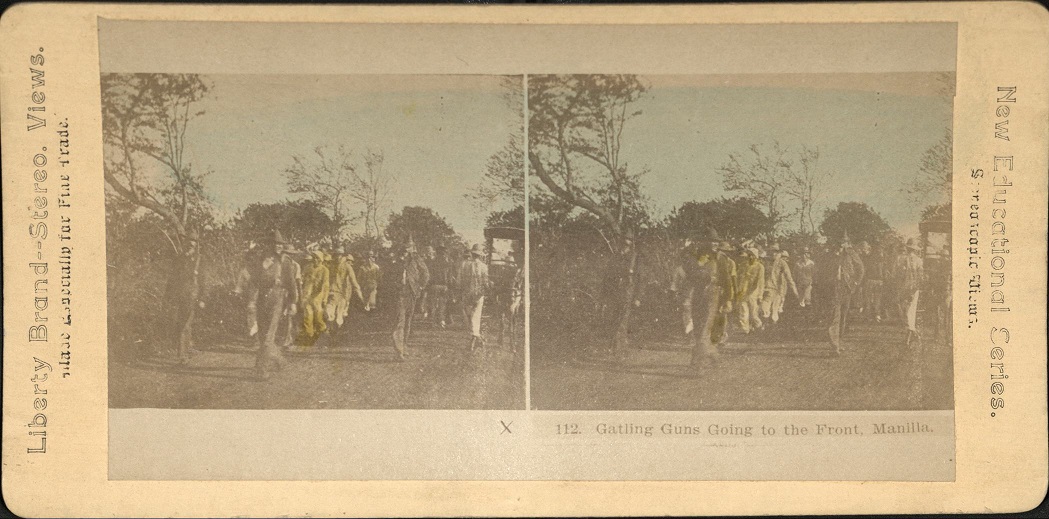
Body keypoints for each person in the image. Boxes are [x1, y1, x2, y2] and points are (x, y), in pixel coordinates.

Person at [247, 231, 300, 379]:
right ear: (269, 245)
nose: (278, 246)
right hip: (262, 301)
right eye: (275, 244)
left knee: (269, 335)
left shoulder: (285, 261)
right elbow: (253, 280)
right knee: (263, 335)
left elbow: (291, 283)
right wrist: (263, 267)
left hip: (277, 300)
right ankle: (280, 361)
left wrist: (293, 302)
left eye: (280, 244)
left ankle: (261, 369)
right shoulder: (261, 259)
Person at [827, 234, 865, 354]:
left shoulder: (851, 254)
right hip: (834, 288)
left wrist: (855, 283)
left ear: (848, 243)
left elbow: (861, 269)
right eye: (840, 243)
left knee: (843, 316)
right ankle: (835, 346)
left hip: (847, 288)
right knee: (835, 317)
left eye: (844, 242)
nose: (842, 245)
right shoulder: (830, 256)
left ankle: (839, 340)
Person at [392, 240, 429, 360]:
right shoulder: (396, 260)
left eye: (409, 248)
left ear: (413, 249)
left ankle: (404, 345)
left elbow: (426, 274)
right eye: (405, 248)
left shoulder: (417, 260)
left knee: (408, 321)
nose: (407, 250)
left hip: (412, 293)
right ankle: (399, 351)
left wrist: (420, 286)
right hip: (399, 293)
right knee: (400, 321)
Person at [688, 237, 720, 373]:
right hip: (698, 299)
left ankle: (699, 365)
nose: (715, 245)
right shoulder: (694, 262)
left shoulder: (713, 263)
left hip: (710, 300)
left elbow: (709, 278)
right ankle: (713, 355)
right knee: (698, 331)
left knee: (703, 332)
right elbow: (689, 277)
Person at [459, 243, 490, 351]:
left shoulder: (464, 264)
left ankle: (475, 339)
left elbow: (459, 281)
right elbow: (485, 283)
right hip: (478, 295)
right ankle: (477, 339)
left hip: (466, 294)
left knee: (468, 317)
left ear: (472, 253)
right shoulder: (484, 266)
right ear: (480, 255)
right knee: (475, 316)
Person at [327, 247, 364, 335]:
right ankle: (333, 331)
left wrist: (359, 294)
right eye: (336, 255)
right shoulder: (331, 266)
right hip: (332, 293)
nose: (337, 257)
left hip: (342, 294)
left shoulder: (347, 266)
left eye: (339, 255)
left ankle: (336, 333)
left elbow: (353, 281)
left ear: (342, 255)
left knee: (339, 315)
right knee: (329, 313)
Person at [298, 249, 330, 346]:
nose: (315, 260)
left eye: (317, 258)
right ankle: (310, 336)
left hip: (317, 297)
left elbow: (325, 285)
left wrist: (324, 298)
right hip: (307, 295)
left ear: (321, 260)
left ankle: (325, 334)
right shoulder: (308, 267)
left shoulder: (324, 270)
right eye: (314, 258)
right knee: (308, 316)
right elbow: (302, 278)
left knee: (318, 317)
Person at [898, 238, 924, 346]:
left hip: (909, 288)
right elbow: (919, 276)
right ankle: (913, 333)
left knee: (908, 312)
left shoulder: (916, 260)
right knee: (907, 312)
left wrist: (913, 289)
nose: (911, 252)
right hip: (908, 288)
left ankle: (909, 336)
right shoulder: (903, 259)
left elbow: (919, 276)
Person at [711, 240, 737, 347]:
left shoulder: (730, 263)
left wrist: (734, 293)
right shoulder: (714, 261)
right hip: (714, 289)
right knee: (715, 313)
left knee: (722, 313)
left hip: (724, 289)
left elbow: (733, 278)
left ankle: (721, 336)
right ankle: (714, 336)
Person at [764, 246, 799, 324]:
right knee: (765, 308)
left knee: (775, 309)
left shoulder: (782, 263)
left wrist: (794, 290)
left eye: (776, 252)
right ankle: (765, 325)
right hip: (767, 288)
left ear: (779, 254)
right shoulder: (766, 262)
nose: (774, 254)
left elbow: (789, 277)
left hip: (778, 289)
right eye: (772, 252)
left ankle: (774, 327)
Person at [736, 247, 765, 334]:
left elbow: (761, 281)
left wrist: (760, 295)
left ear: (756, 257)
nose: (751, 257)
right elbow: (738, 277)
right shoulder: (743, 265)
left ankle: (759, 326)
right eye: (749, 255)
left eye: (752, 255)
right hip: (743, 291)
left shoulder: (760, 267)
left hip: (753, 292)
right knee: (743, 311)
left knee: (753, 313)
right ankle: (745, 330)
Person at [669, 243, 695, 336]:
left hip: (696, 294)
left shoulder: (696, 268)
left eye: (690, 256)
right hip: (685, 294)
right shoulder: (679, 269)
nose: (687, 259)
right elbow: (674, 283)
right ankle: (689, 333)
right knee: (687, 312)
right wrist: (673, 293)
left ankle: (693, 333)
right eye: (685, 257)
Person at [428, 245, 454, 328]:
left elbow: (429, 275)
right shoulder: (448, 263)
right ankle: (441, 321)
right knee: (442, 304)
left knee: (433, 303)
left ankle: (432, 321)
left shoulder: (432, 262)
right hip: (444, 286)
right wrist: (450, 287)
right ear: (444, 253)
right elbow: (450, 277)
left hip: (433, 285)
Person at [863, 242, 887, 322]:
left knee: (868, 298)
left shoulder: (868, 258)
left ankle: (868, 315)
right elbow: (884, 272)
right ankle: (877, 315)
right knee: (877, 299)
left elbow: (865, 269)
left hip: (870, 280)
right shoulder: (882, 260)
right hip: (879, 281)